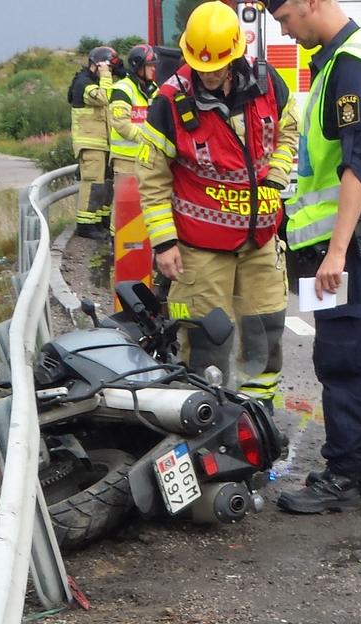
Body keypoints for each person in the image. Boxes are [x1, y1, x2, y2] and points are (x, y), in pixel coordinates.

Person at [267, 0, 361, 514]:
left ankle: (346, 473)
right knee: (360, 351)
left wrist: (335, 251)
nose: (285, 33)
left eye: (286, 19)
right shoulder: (350, 57)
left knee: (344, 357)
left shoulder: (351, 64)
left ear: (311, 3)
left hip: (353, 245)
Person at [137, 0, 297, 406]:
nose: (208, 75)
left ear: (236, 55)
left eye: (217, 67)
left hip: (259, 240)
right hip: (200, 249)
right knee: (207, 341)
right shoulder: (170, 102)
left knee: (266, 331)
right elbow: (152, 180)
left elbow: (289, 131)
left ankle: (257, 419)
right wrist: (163, 243)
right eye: (200, 66)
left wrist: (277, 174)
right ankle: (208, 422)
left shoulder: (267, 83)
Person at [68, 46, 122, 238]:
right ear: (98, 65)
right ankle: (85, 225)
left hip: (103, 144)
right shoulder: (83, 83)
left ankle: (99, 220)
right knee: (92, 184)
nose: (110, 72)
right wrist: (106, 75)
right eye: (108, 67)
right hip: (90, 144)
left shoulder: (95, 82)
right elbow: (104, 98)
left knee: (104, 185)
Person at [110, 44, 158, 183]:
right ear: (139, 66)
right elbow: (121, 124)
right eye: (150, 65)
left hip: (147, 158)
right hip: (125, 161)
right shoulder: (122, 89)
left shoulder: (153, 89)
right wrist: (148, 139)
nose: (153, 68)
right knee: (127, 203)